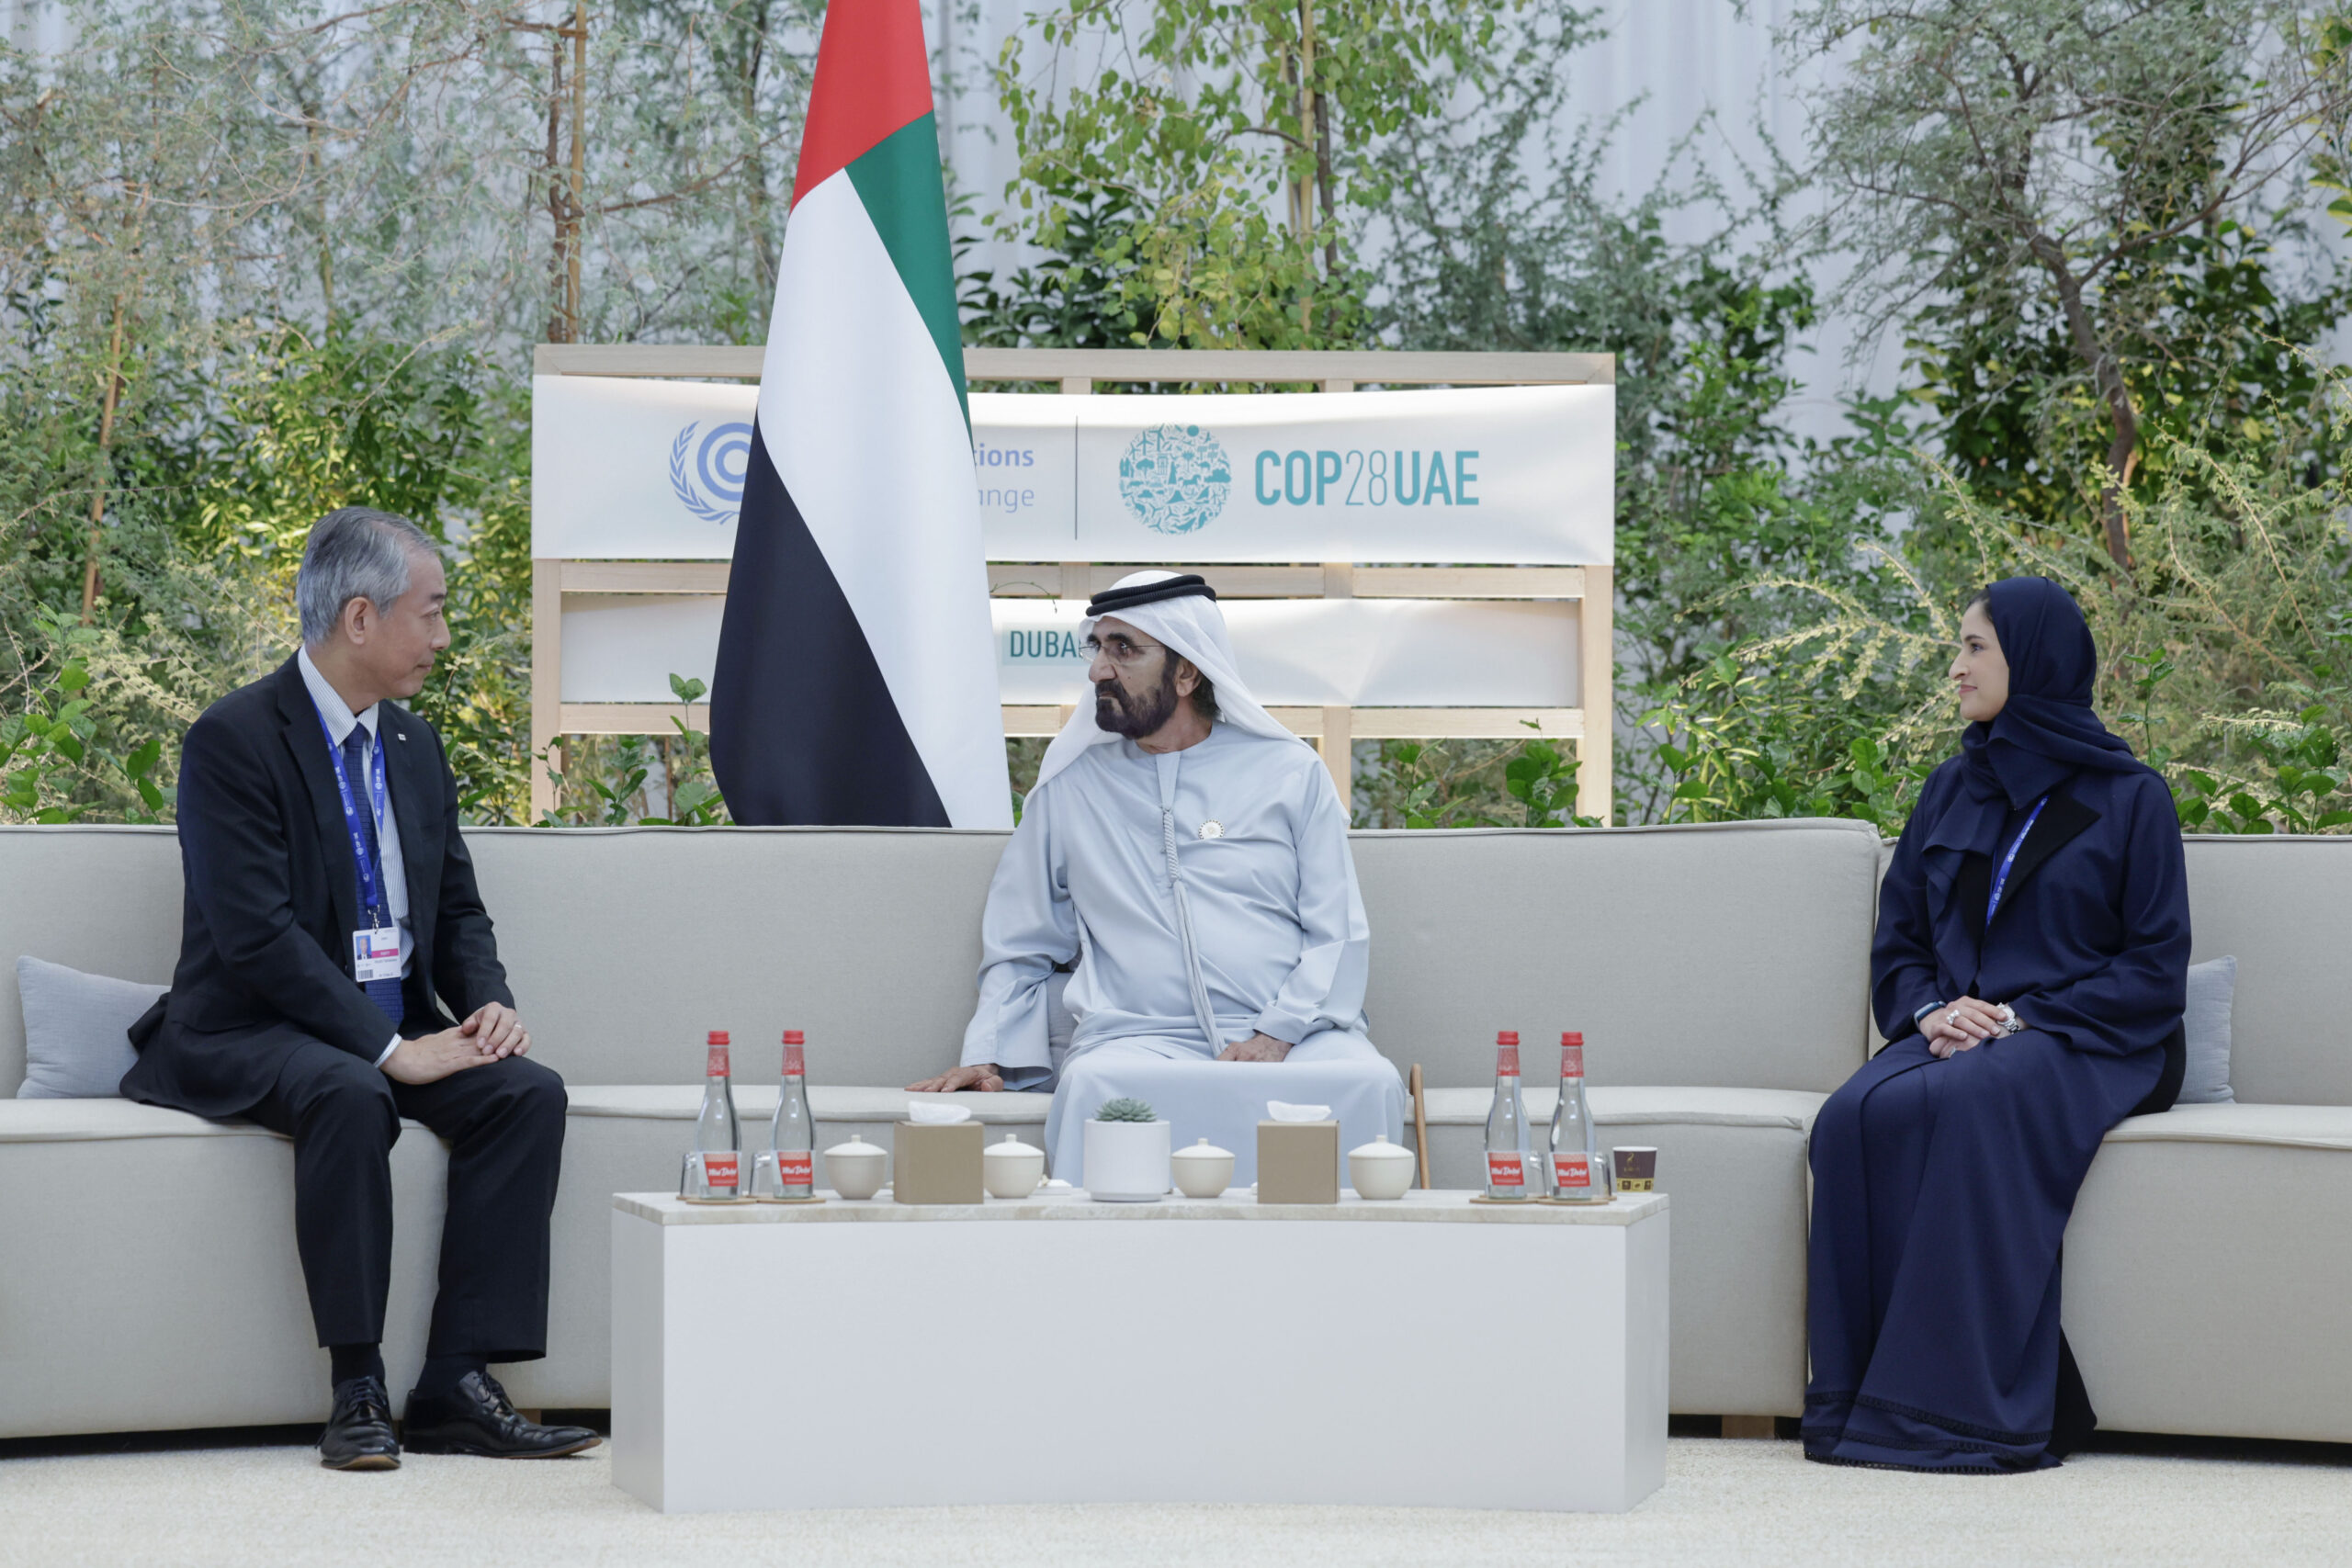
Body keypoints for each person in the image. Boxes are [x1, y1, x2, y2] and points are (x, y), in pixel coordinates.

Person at [121, 508, 598, 1471]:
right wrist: (391, 1052)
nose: (444, 636)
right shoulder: (233, 740)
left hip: (388, 1025)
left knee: (525, 1093)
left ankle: (458, 1383)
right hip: (252, 1027)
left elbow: (457, 910)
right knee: (347, 1090)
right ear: (359, 618)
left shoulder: (415, 748)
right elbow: (256, 939)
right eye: (431, 613)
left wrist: (487, 1004)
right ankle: (357, 1387)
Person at [1804, 576, 2188, 1472]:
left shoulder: (2132, 799)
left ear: (2033, 657)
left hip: (2095, 1036)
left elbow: (2152, 972)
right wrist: (1932, 1012)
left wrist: (2015, 1017)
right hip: (1956, 1035)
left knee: (1970, 1107)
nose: (1955, 666)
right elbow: (1896, 947)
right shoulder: (1948, 791)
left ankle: (1955, 1419)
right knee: (1847, 1118)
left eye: (1975, 646)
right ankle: (1855, 1404)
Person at [910, 570, 1407, 1183]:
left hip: (1294, 1035)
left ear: (1187, 671)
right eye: (1097, 647)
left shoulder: (1289, 772)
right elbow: (1020, 941)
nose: (1098, 669)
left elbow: (1338, 931)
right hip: (1135, 1038)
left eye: (1125, 649)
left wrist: (1275, 1034)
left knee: (1368, 1082)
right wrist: (987, 1052)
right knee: (1093, 1084)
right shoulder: (1071, 790)